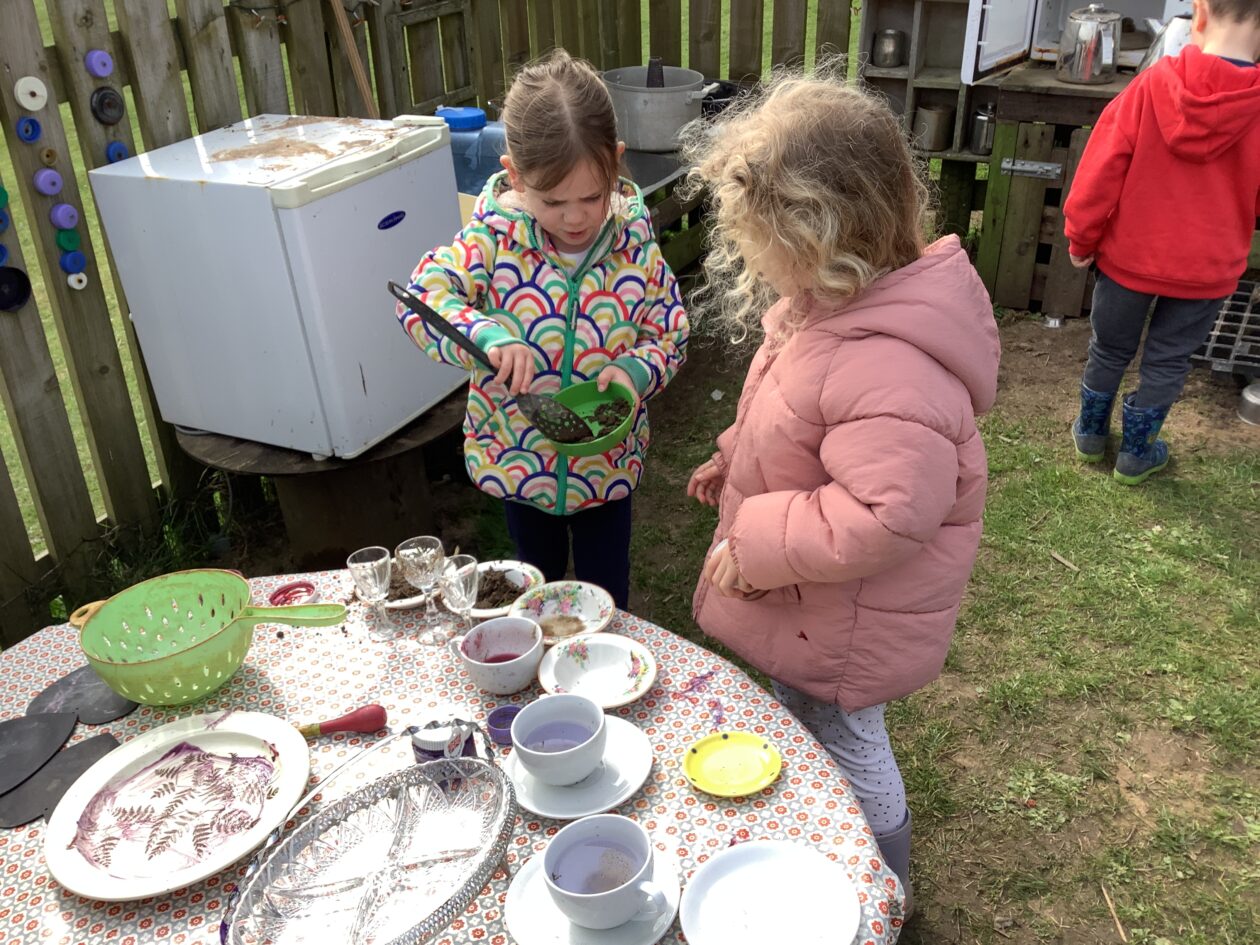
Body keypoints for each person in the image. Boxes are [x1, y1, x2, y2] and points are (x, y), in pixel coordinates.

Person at [682, 73, 1000, 919]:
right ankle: (826, 850)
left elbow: (888, 512)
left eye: (762, 241)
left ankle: (885, 888)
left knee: (850, 738)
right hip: (814, 603)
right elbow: (790, 415)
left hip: (850, 616)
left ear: (818, 231)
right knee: (807, 723)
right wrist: (733, 456)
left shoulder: (891, 362)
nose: (755, 262)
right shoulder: (825, 307)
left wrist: (757, 537)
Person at [397, 50, 688, 610]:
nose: (575, 218)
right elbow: (423, 297)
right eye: (553, 201)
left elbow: (670, 334)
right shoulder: (491, 241)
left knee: (607, 598)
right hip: (519, 462)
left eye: (592, 196)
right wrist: (485, 335)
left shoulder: (635, 246)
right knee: (531, 596)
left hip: (607, 468)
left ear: (615, 163)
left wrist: (636, 369)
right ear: (515, 175)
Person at [1063, 0, 1260, 484]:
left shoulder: (1151, 86)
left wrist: (1081, 236)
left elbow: (1100, 169)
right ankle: (1136, 454)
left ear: (1199, 15)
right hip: (1208, 269)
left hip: (1129, 258)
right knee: (1168, 359)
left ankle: (1090, 434)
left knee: (1109, 349)